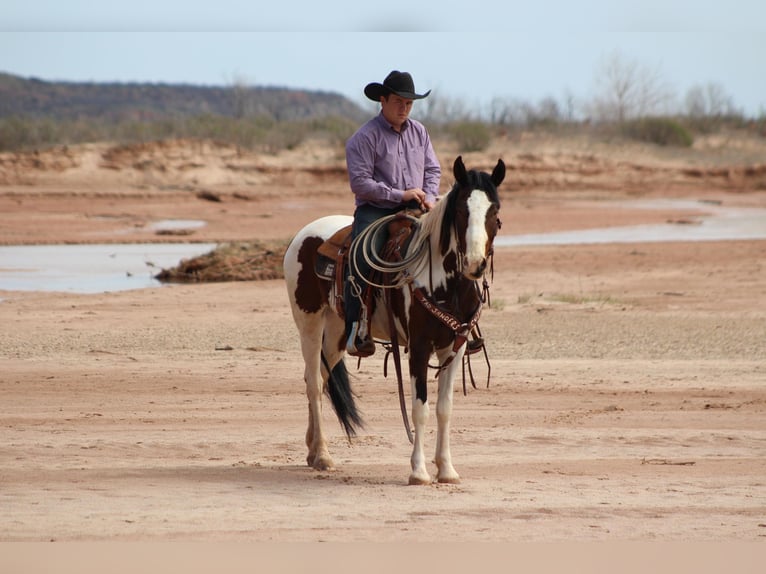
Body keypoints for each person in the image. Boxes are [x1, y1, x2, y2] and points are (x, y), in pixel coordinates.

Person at [344, 70, 442, 357]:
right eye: (399, 101)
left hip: (418, 208)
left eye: (409, 103)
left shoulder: (419, 131)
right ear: (383, 100)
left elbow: (433, 169)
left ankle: (458, 322)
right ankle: (356, 327)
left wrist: (432, 198)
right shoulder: (363, 138)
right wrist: (400, 195)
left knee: (451, 247)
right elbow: (360, 184)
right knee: (360, 257)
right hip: (376, 211)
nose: (405, 108)